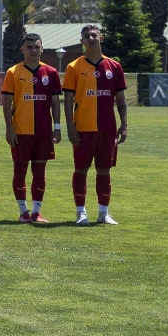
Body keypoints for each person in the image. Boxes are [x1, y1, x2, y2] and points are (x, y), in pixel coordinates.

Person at [63, 24, 126, 225]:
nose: (91, 38)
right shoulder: (74, 67)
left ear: (101, 38)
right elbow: (68, 100)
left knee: (104, 170)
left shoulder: (114, 67)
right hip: (83, 127)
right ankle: (81, 212)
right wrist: (70, 127)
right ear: (81, 41)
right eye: (86, 36)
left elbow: (121, 101)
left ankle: (103, 212)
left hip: (107, 129)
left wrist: (124, 125)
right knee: (81, 169)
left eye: (94, 35)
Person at [2, 31, 64, 223]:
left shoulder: (51, 73)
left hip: (43, 132)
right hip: (21, 131)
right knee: (19, 172)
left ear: (42, 48)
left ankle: (36, 212)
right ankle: (23, 212)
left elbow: (55, 103)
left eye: (37, 47)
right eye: (29, 47)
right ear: (22, 49)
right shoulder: (13, 72)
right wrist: (9, 129)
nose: (33, 51)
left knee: (40, 172)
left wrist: (57, 127)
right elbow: (6, 103)